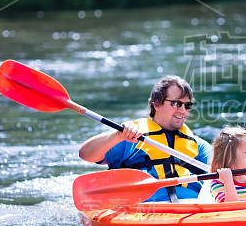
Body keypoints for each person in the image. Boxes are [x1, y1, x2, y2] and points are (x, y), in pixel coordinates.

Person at [78, 75, 212, 202]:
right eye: (176, 104)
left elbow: (221, 168)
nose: (183, 110)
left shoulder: (198, 146)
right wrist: (117, 135)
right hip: (142, 208)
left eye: (187, 105)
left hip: (191, 206)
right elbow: (85, 154)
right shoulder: (130, 137)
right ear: (157, 104)